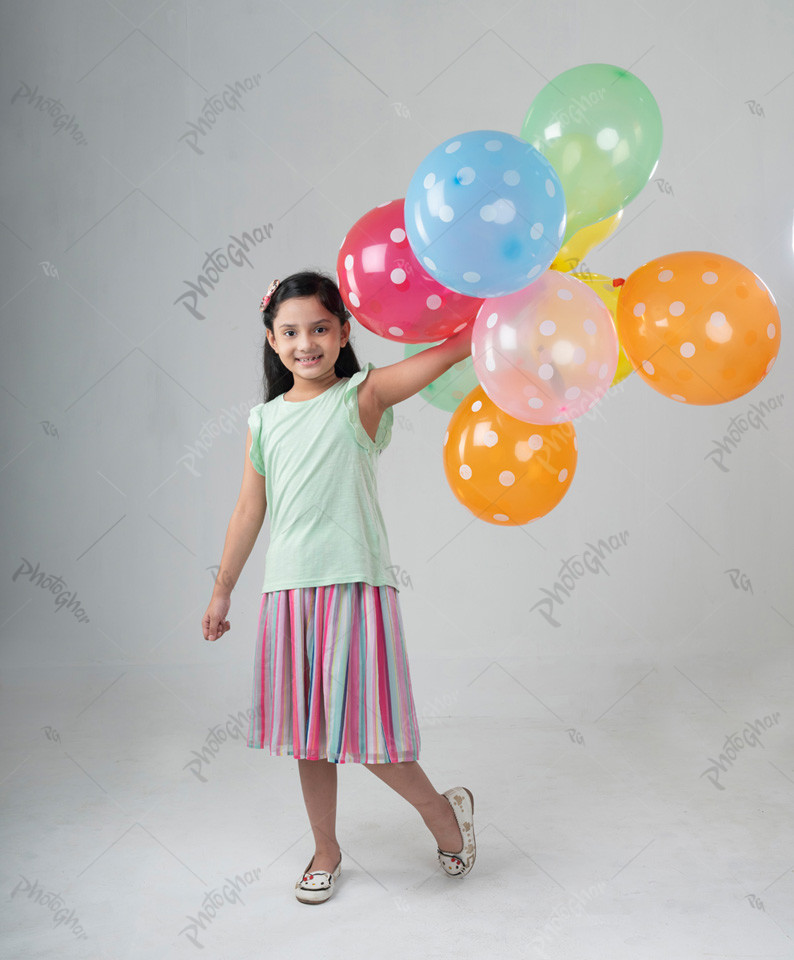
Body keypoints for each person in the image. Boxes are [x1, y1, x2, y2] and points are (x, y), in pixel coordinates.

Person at [201, 269, 476, 904]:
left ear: (344, 332)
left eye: (320, 328)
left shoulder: (362, 395)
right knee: (311, 738)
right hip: (289, 595)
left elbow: (442, 356)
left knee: (369, 734)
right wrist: (222, 590)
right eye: (291, 332)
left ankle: (440, 812)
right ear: (272, 341)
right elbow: (249, 512)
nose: (307, 343)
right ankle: (326, 846)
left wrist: (487, 319)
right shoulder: (264, 421)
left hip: (353, 588)